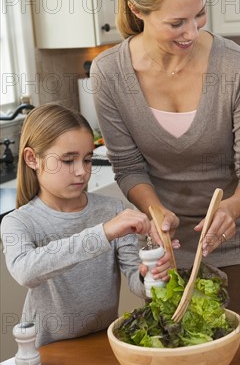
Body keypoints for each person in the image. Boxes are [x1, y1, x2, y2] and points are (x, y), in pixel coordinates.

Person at [90, 0, 240, 312]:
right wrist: (156, 212)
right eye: (176, 22)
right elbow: (128, 167)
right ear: (137, 9)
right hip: (166, 246)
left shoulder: (236, 68)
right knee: (177, 351)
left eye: (200, 14)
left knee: (234, 356)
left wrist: (232, 209)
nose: (192, 32)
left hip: (239, 242)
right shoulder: (109, 74)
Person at [0, 104, 172, 347]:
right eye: (68, 160)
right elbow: (26, 272)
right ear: (32, 159)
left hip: (102, 343)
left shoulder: (111, 210)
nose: (81, 171)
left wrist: (151, 275)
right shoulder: (18, 222)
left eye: (88, 159)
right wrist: (103, 233)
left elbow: (136, 280)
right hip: (48, 353)